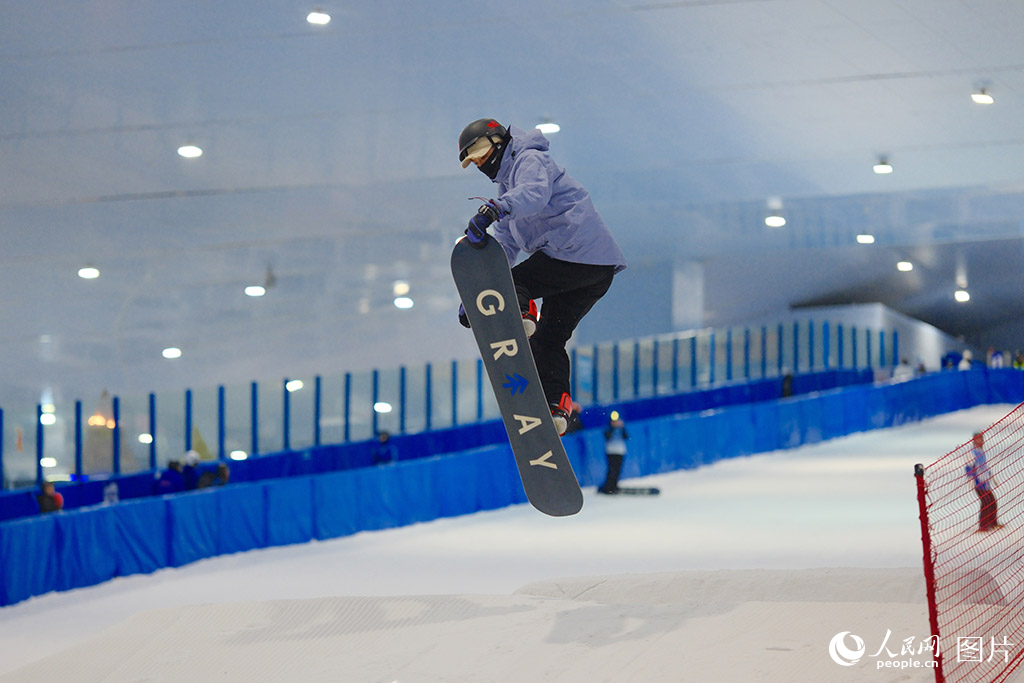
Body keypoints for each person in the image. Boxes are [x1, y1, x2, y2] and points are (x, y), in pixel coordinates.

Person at [457, 118, 627, 435]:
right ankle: (557, 408)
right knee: (549, 341)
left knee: (514, 285)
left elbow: (534, 194)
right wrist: (478, 295)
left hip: (575, 253)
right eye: (474, 162)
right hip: (591, 271)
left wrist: (496, 208)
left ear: (498, 143)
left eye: (481, 154)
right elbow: (505, 246)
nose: (481, 164)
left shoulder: (528, 158)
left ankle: (522, 311)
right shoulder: (507, 189)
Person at [965, 431, 1001, 532]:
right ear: (974, 440)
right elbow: (969, 467)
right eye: (978, 439)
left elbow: (985, 466)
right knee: (986, 502)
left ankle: (993, 522)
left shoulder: (982, 452)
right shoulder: (971, 453)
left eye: (982, 438)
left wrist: (992, 477)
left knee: (992, 501)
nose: (981, 441)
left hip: (985, 481)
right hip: (978, 482)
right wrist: (971, 479)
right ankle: (983, 525)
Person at [599, 411, 629, 495]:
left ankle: (614, 486)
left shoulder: (621, 428)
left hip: (620, 451)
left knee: (618, 470)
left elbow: (626, 436)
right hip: (611, 451)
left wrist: (622, 427)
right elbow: (607, 437)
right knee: (611, 470)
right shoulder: (607, 428)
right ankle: (609, 487)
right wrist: (612, 427)